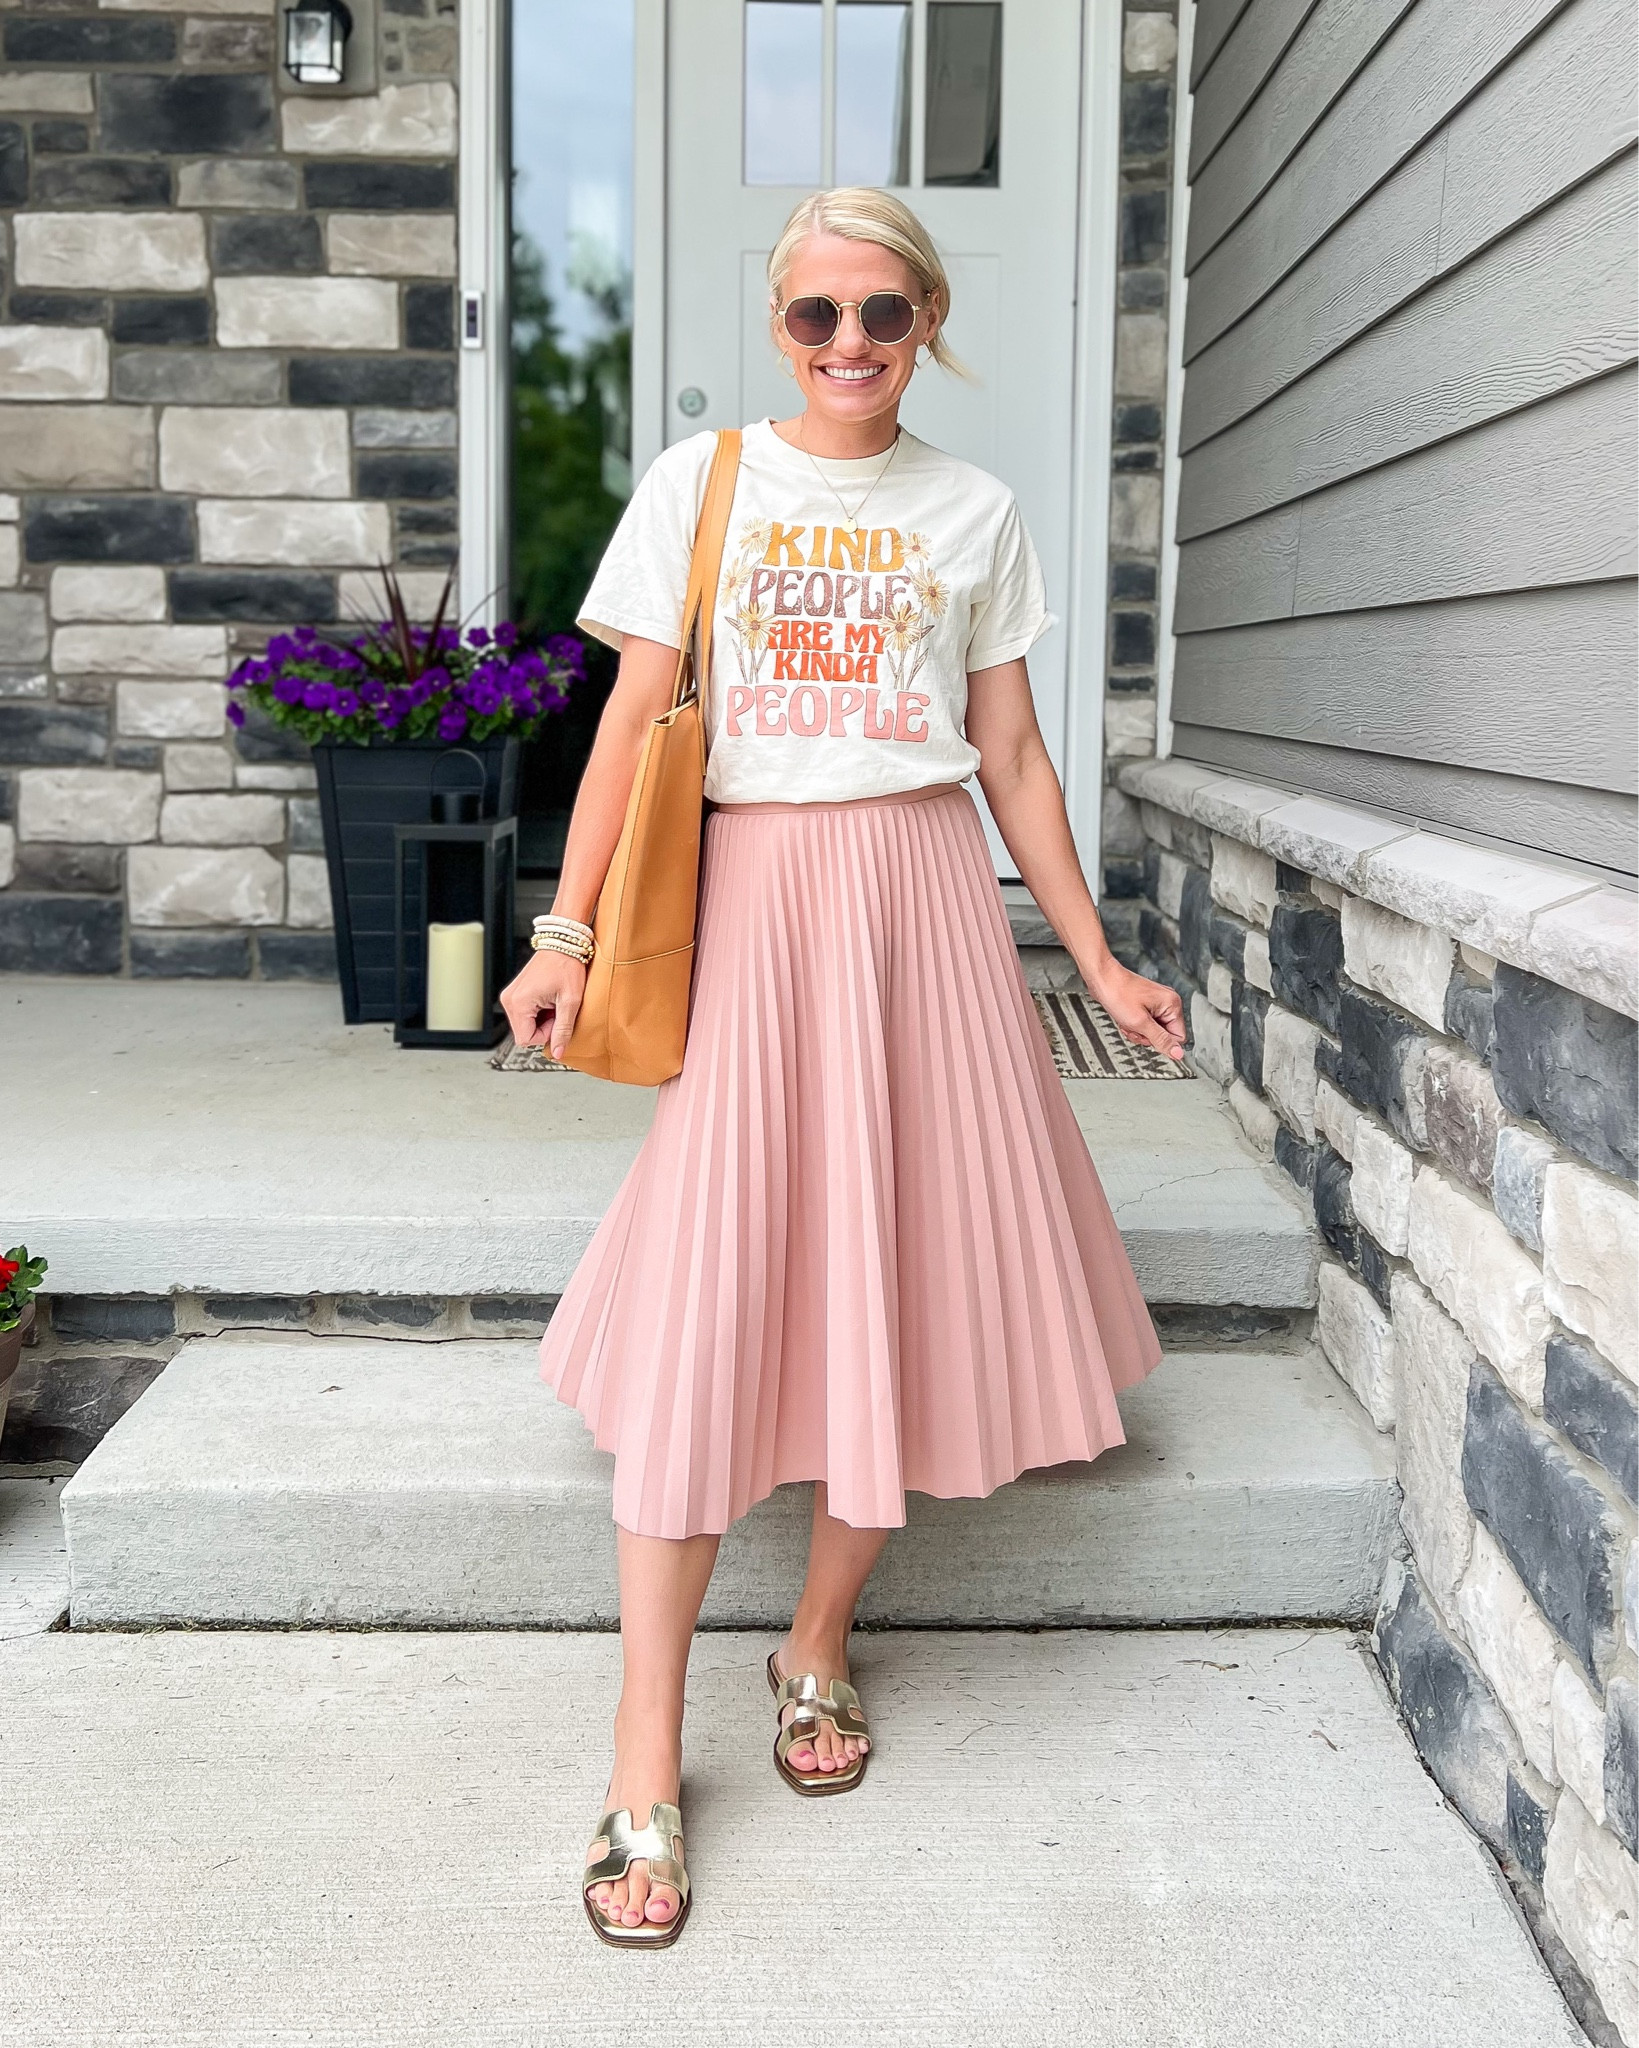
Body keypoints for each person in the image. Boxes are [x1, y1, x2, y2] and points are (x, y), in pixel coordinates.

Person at [500, 187, 1184, 1949]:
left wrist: (1099, 957)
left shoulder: (976, 510)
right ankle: (642, 1754)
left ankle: (816, 1642)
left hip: (928, 911)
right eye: (819, 314)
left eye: (885, 312)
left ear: (927, 320)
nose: (852, 344)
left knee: (906, 1265)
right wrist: (565, 933)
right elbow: (629, 724)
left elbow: (1013, 758)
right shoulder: (705, 484)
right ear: (780, 325)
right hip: (756, 907)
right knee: (718, 1285)